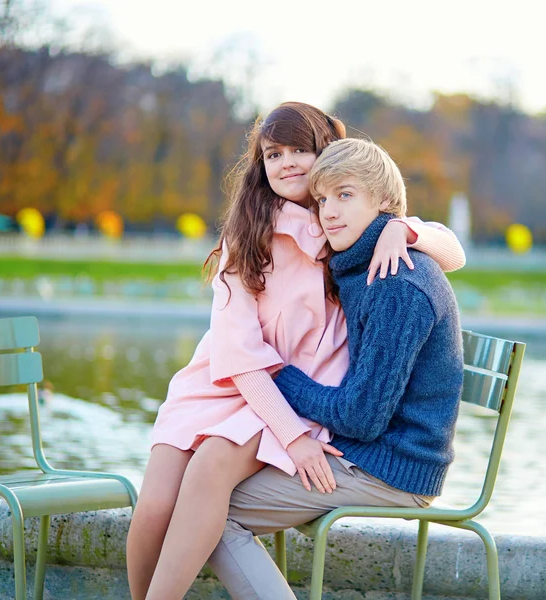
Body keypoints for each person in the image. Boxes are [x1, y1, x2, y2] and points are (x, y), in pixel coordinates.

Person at [126, 102, 466, 600]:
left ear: (327, 156)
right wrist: (293, 431)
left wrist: (405, 227)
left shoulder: (357, 239)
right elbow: (241, 357)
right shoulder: (260, 234)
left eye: (300, 151)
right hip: (235, 382)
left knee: (207, 492)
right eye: (272, 154)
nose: (287, 163)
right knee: (158, 503)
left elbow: (442, 252)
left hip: (315, 409)